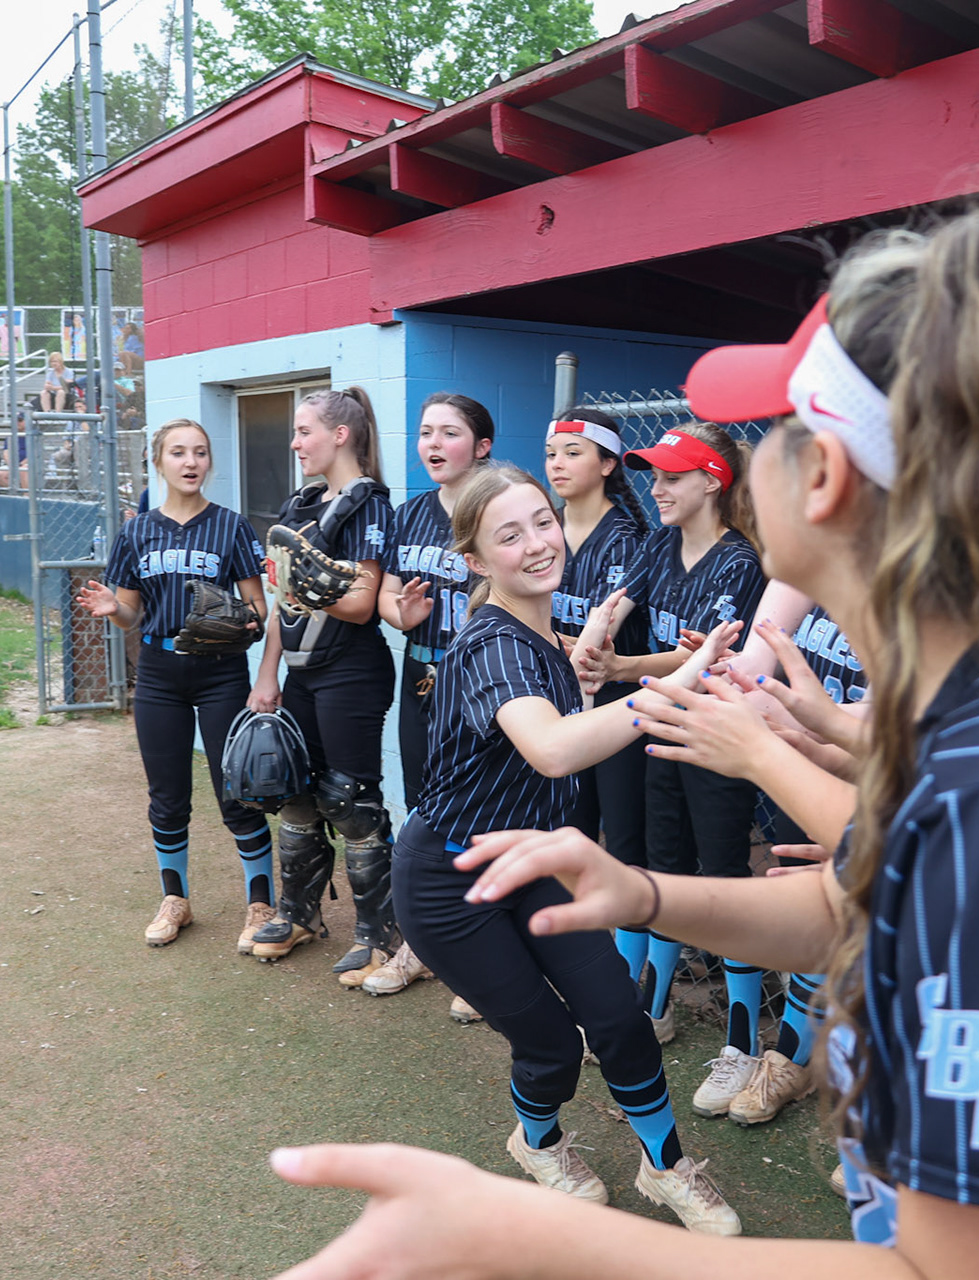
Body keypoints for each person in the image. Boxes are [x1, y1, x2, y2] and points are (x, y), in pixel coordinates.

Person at [271, 198, 979, 1279]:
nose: (743, 449)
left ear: (824, 478)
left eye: (771, 422)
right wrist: (646, 894)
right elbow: (882, 899)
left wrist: (533, 1238)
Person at [376, 462, 742, 1235]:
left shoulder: (541, 631)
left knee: (619, 1015)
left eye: (543, 521)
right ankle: (537, 1141)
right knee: (549, 1044)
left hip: (537, 859)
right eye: (509, 535)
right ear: (476, 560)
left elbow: (549, 714)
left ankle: (666, 1167)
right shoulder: (493, 645)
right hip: (454, 880)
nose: (539, 542)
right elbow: (550, 750)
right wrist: (684, 680)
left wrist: (591, 657)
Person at [571, 421, 767, 1115]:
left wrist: (622, 665)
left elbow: (708, 663)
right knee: (660, 871)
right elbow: (614, 604)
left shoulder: (740, 561)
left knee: (723, 884)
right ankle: (651, 1009)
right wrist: (593, 644)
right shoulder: (658, 542)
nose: (656, 488)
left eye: (672, 477)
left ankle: (742, 1046)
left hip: (717, 739)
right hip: (660, 725)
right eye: (653, 475)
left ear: (712, 481)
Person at [75, 419, 276, 950]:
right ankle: (175, 900)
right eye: (179, 453)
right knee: (167, 795)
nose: (191, 462)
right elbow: (129, 615)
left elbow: (257, 607)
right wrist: (111, 607)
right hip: (160, 673)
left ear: (210, 462)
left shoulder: (231, 526)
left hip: (219, 672)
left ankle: (260, 905)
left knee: (238, 792)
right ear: (158, 462)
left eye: (201, 453)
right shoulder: (136, 531)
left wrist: (244, 620)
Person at [247, 387, 397, 980]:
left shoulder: (370, 508)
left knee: (352, 802)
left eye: (305, 430)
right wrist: (267, 674)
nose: (295, 442)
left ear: (340, 435)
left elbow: (361, 605)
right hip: (301, 673)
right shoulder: (300, 504)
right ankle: (300, 913)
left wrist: (314, 588)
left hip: (353, 672)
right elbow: (284, 603)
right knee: (296, 793)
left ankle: (377, 933)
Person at [360, 392, 495, 1000]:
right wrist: (400, 612)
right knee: (423, 810)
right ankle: (422, 945)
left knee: (483, 815)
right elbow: (388, 599)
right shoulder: (409, 514)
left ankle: (482, 958)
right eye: (425, 433)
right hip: (421, 674)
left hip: (483, 685)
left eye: (450, 433)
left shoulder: (497, 511)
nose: (434, 445)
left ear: (482, 446)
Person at [542, 408, 656, 996]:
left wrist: (576, 646)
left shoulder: (632, 538)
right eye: (551, 452)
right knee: (568, 831)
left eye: (572, 452)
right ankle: (578, 970)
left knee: (626, 841)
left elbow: (606, 623)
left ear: (609, 465)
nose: (557, 463)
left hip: (618, 710)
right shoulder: (542, 530)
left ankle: (631, 985)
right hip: (559, 707)